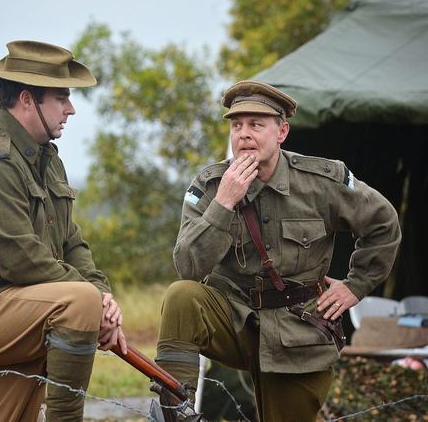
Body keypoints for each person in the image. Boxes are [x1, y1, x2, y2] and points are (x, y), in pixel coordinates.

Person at [155, 80, 401, 421]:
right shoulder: (212, 185)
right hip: (234, 319)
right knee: (182, 296)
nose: (243, 134)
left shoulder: (321, 181)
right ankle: (173, 408)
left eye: (256, 125)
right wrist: (224, 203)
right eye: (237, 125)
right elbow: (188, 267)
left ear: (281, 131)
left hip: (298, 330)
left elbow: (384, 223)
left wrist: (356, 285)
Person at [0, 40, 126, 422]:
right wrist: (90, 301)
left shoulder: (47, 157)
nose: (70, 109)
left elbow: (72, 242)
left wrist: (103, 296)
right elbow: (23, 259)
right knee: (78, 304)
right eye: (61, 98)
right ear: (26, 100)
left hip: (24, 304)